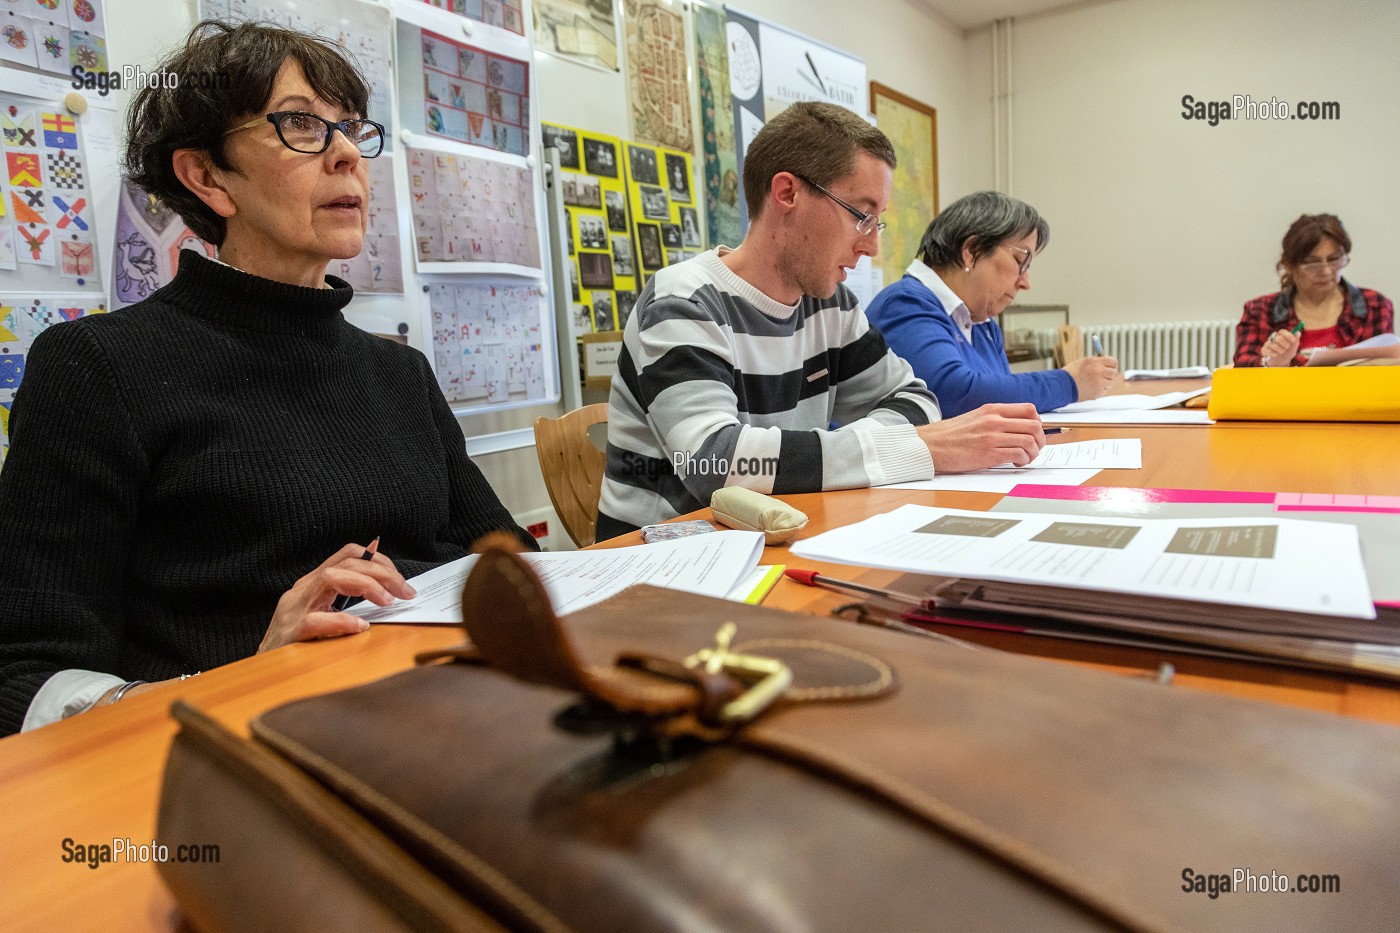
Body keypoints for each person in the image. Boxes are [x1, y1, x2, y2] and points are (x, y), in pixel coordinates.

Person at [0, 21, 532, 736]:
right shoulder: (97, 367)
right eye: (303, 126)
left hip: (445, 721)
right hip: (240, 759)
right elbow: (25, 674)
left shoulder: (398, 370)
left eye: (351, 129)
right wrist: (248, 674)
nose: (347, 155)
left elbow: (503, 558)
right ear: (207, 176)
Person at [596, 103, 1045, 539]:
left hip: (782, 535)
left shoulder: (831, 306)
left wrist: (847, 452)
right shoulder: (683, 301)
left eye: (877, 223)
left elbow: (916, 400)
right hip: (669, 563)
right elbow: (717, 465)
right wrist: (916, 448)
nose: (871, 247)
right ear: (787, 193)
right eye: (861, 216)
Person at [864, 192, 1118, 417]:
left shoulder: (983, 325)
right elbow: (952, 394)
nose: (1025, 282)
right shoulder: (905, 303)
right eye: (1020, 261)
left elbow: (1002, 408)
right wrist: (1069, 382)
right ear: (972, 251)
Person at [1234, 214, 1394, 367]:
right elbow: (1241, 370)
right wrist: (1271, 363)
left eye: (1334, 259)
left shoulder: (1374, 304)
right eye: (1312, 263)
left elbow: (1384, 368)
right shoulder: (1259, 310)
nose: (1326, 271)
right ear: (1289, 266)